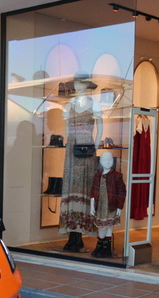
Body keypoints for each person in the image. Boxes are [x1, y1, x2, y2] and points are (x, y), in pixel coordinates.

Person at [59, 73, 101, 252]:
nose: (77, 86)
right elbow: (68, 130)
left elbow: (100, 129)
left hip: (87, 150)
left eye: (81, 83)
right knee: (71, 188)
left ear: (86, 85)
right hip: (72, 150)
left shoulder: (95, 105)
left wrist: (95, 149)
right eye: (76, 82)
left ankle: (80, 235)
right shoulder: (69, 105)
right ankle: (72, 235)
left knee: (85, 189)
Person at [89, 151, 126, 258]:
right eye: (105, 159)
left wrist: (120, 206)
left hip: (111, 206)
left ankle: (106, 247)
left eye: (110, 159)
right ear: (100, 161)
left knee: (108, 226)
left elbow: (122, 192)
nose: (108, 162)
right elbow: (93, 191)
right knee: (102, 226)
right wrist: (92, 205)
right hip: (100, 205)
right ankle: (101, 244)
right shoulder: (97, 175)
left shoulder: (117, 175)